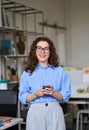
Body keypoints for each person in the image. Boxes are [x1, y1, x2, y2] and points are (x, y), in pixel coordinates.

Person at [18, 37, 71, 130]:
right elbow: (23, 97)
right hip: (35, 113)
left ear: (50, 51)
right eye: (39, 48)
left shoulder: (60, 71)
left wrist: (53, 93)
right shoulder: (27, 73)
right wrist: (36, 94)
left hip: (54, 112)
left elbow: (66, 95)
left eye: (46, 49)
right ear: (34, 51)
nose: (43, 52)